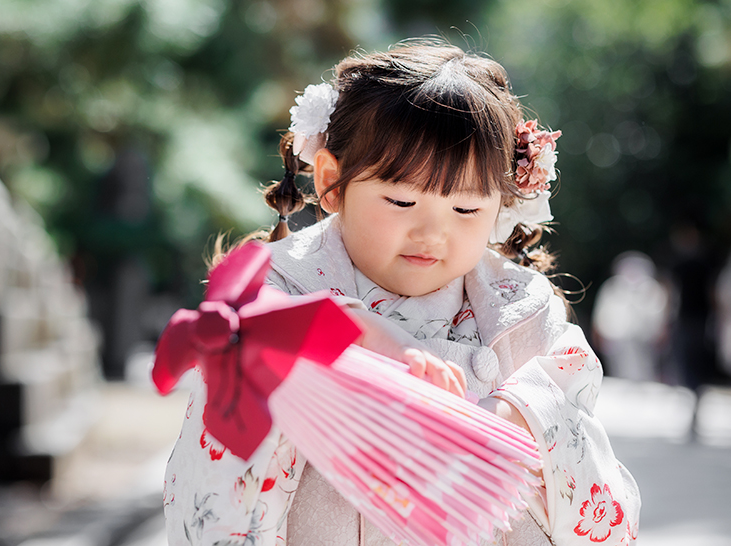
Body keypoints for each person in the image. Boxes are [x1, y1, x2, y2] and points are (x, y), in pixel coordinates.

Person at [162, 40, 640, 546]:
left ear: (501, 203)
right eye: (401, 200)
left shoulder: (519, 308)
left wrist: (504, 418)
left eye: (465, 210)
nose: (432, 234)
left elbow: (577, 432)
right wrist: (357, 332)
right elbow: (222, 473)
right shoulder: (279, 288)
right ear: (331, 182)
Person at [591, 251, 667, 382]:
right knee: (619, 372)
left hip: (644, 339)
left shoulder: (651, 287)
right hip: (616, 339)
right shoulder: (612, 286)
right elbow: (602, 312)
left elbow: (658, 312)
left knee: (645, 371)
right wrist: (600, 332)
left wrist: (659, 332)